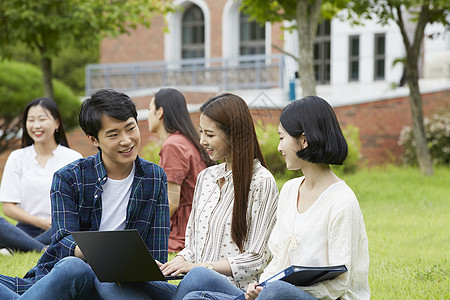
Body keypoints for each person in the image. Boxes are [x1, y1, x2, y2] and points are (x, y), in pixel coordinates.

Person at [174, 96, 370, 300]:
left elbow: (341, 283)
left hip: (316, 298)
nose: (279, 148)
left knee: (278, 291)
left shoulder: (342, 201)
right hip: (269, 295)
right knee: (197, 283)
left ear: (303, 140)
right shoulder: (290, 190)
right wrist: (260, 287)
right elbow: (277, 261)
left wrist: (270, 290)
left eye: (282, 138)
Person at [99, 93, 279, 299]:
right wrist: (176, 263)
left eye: (210, 135)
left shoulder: (261, 182)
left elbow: (256, 259)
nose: (202, 141)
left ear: (234, 134)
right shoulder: (206, 177)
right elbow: (193, 245)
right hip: (192, 287)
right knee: (115, 279)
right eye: (201, 132)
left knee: (198, 276)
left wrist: (198, 267)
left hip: (236, 292)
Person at [0, 89, 170, 299]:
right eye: (113, 134)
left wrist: (138, 266)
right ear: (93, 139)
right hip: (73, 276)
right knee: (73, 268)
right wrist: (110, 255)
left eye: (130, 128)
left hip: (122, 285)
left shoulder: (155, 178)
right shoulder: (69, 177)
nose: (126, 140)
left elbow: (157, 254)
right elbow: (63, 242)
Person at [0, 97, 82, 253]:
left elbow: (81, 205)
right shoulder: (17, 157)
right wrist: (40, 222)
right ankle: (40, 248)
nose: (36, 125)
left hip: (59, 228)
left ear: (57, 123)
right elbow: (8, 207)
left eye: (42, 119)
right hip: (25, 229)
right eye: (31, 120)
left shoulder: (73, 158)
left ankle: (19, 247)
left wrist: (52, 223)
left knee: (72, 228)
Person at [148, 88, 214, 252]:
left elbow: (171, 202)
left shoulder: (173, 145)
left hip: (183, 231)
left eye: (150, 109)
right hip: (196, 223)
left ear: (159, 112)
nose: (147, 114)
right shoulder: (184, 140)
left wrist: (147, 228)